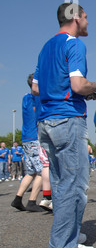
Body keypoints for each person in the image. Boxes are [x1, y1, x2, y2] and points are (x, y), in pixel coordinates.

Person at [32, 2, 96, 248]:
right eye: (85, 16)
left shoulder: (45, 48)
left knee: (62, 183)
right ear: (75, 17)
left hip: (46, 122)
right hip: (68, 119)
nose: (87, 21)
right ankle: (62, 246)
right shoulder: (74, 44)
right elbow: (77, 84)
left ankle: (69, 234)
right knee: (74, 184)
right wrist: (94, 87)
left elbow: (36, 90)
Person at [10, 73, 44, 212]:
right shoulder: (38, 98)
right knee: (42, 170)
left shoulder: (25, 97)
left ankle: (18, 198)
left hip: (26, 137)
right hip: (35, 137)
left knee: (30, 172)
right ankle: (32, 201)